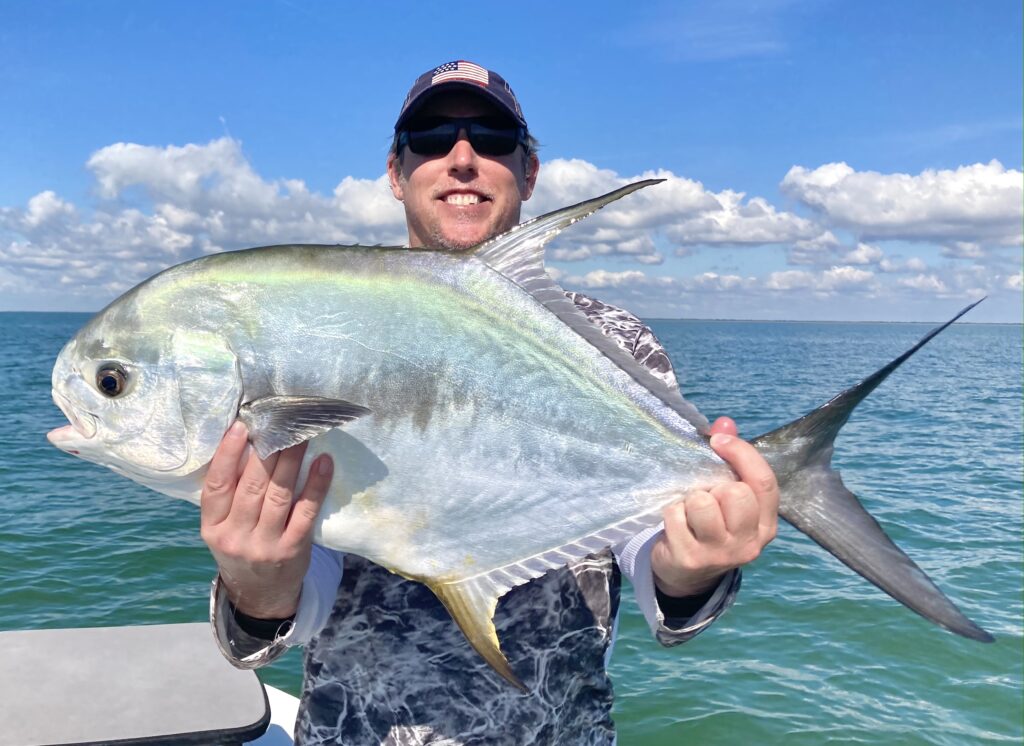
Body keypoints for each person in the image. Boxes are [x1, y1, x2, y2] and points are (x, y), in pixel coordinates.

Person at [202, 60, 779, 745]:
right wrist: (255, 582)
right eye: (431, 137)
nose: (463, 158)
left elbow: (646, 545)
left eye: (494, 139)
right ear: (396, 171)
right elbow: (295, 584)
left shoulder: (614, 341)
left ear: (528, 174)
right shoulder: (324, 330)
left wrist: (691, 567)